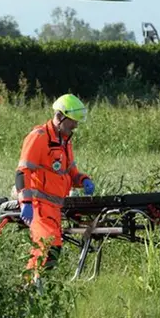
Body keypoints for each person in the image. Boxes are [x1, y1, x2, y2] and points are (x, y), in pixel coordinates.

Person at [15, 94, 95, 274]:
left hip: (54, 207)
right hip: (38, 206)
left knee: (46, 251)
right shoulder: (39, 137)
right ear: (59, 116)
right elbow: (22, 172)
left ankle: (32, 290)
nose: (75, 126)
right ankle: (32, 289)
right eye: (72, 121)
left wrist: (83, 180)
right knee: (48, 249)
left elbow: (70, 173)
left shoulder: (65, 141)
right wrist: (25, 203)